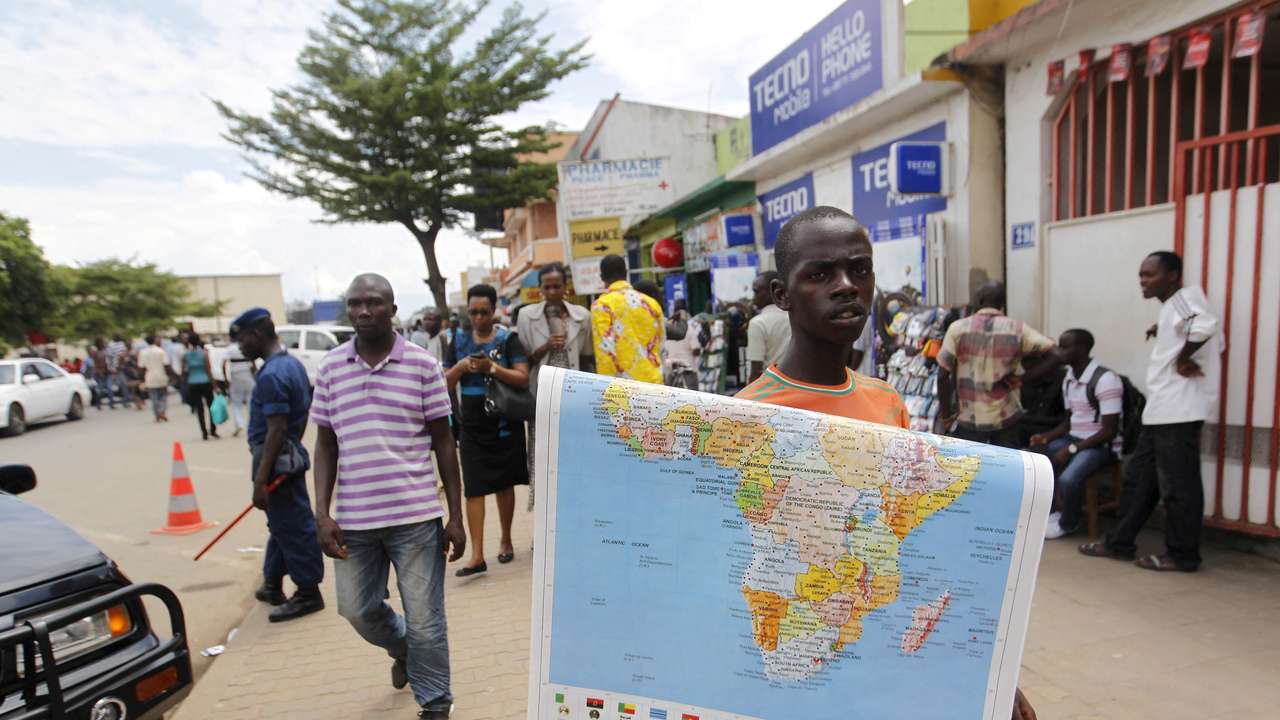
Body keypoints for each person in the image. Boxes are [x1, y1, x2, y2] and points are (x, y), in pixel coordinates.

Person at [736, 206, 1037, 720]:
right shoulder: (745, 419)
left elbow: (914, 546)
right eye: (820, 274)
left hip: (876, 661)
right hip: (792, 671)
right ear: (782, 295)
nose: (847, 285)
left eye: (860, 269)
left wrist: (991, 672)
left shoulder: (886, 401)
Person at [310, 275, 465, 719]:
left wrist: (455, 516)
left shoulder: (422, 365)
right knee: (357, 610)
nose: (363, 311)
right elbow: (325, 443)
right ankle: (405, 652)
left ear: (392, 310)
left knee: (426, 618)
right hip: (355, 521)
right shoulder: (332, 368)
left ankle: (435, 703)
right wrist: (322, 512)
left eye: (373, 303)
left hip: (415, 517)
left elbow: (444, 442)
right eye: (355, 303)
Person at [1081, 251, 1220, 572]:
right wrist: (1166, 334)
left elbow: (1205, 326)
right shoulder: (1172, 308)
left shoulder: (1186, 298)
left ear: (1172, 275)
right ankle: (1119, 543)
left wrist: (1183, 358)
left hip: (1179, 412)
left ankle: (1183, 555)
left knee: (1178, 488)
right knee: (1139, 479)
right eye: (1141, 275)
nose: (1143, 280)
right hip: (1161, 412)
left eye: (1150, 274)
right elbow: (1191, 329)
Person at [231, 307, 326, 622]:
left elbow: (276, 429)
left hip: (275, 458)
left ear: (257, 334)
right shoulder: (290, 365)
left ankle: (308, 592)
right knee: (282, 524)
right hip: (284, 453)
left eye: (242, 338)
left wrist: (260, 480)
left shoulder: (272, 374)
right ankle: (272, 583)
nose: (240, 346)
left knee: (295, 526)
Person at [444, 284, 530, 577]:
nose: (478, 318)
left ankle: (505, 539)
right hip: (471, 423)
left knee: (504, 483)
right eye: (473, 312)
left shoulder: (509, 339)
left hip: (504, 421)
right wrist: (460, 367)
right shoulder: (456, 340)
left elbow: (522, 377)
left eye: (483, 312)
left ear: (494, 311)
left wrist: (490, 368)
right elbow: (443, 382)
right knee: (474, 487)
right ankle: (477, 555)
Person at [936, 282, 1060, 448]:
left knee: (969, 471)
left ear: (979, 300)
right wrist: (1024, 378)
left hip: (970, 420)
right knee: (1006, 470)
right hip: (1007, 419)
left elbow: (943, 374)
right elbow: (1058, 354)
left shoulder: (958, 329)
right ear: (1002, 303)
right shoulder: (1017, 329)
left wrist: (946, 415)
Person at [1028, 329, 1122, 539]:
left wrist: (1071, 450)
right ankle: (1051, 513)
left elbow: (1109, 430)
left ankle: (1068, 523)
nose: (1059, 352)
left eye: (1065, 346)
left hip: (1101, 446)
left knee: (1069, 479)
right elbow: (1070, 421)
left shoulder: (1106, 379)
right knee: (1035, 463)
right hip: (1074, 439)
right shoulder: (1069, 377)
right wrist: (1047, 437)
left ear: (1082, 349)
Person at [517, 263, 594, 508]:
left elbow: (587, 357)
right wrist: (546, 346)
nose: (551, 291)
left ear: (565, 288)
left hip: (574, 399)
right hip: (541, 398)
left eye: (556, 286)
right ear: (540, 289)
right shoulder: (526, 316)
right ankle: (542, 525)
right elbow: (522, 359)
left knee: (574, 459)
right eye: (546, 286)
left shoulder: (581, 316)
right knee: (542, 460)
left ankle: (572, 515)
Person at [590, 255, 664, 383]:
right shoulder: (651, 303)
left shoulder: (602, 306)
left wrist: (605, 389)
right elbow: (662, 344)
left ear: (602, 277)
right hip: (654, 382)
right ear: (626, 273)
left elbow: (605, 351)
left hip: (624, 389)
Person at [746, 270, 791, 382]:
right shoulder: (796, 318)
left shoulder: (758, 323)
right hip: (795, 386)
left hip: (769, 388)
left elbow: (755, 371)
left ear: (773, 290)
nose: (753, 297)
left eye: (756, 292)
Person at [181, 333, 219, 440]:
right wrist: (215, 385)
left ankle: (204, 432)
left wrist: (184, 383)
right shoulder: (204, 354)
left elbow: (183, 371)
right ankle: (213, 429)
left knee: (199, 409)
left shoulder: (186, 355)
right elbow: (208, 370)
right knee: (211, 406)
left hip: (193, 383)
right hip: (205, 382)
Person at [223, 341, 257, 437]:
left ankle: (239, 423)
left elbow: (223, 363)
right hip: (247, 375)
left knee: (236, 403)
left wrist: (225, 379)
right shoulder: (245, 345)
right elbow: (253, 363)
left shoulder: (230, 348)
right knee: (251, 402)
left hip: (235, 376)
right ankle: (252, 425)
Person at [139, 336, 171, 422]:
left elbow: (141, 368)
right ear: (154, 340)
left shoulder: (143, 352)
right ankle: (162, 411)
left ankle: (157, 415)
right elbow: (166, 365)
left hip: (150, 377)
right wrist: (169, 376)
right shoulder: (160, 351)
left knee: (154, 398)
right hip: (161, 376)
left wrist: (142, 380)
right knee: (163, 396)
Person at [105, 334, 133, 408]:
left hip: (114, 369)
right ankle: (125, 402)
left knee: (111, 386)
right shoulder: (122, 345)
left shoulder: (111, 346)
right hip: (119, 368)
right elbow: (123, 357)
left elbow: (108, 358)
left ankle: (112, 403)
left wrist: (110, 368)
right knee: (123, 385)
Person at [90, 338, 111, 409]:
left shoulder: (106, 351)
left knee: (109, 388)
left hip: (108, 372)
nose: (104, 343)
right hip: (100, 373)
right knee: (100, 390)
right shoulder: (96, 353)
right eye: (102, 342)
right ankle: (98, 403)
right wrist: (99, 372)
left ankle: (111, 404)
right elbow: (95, 364)